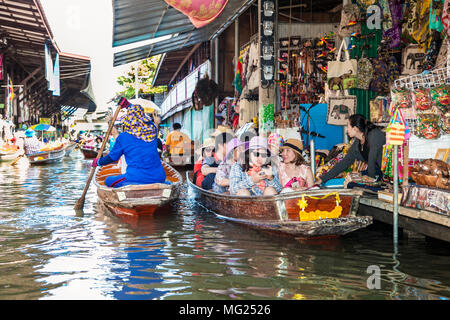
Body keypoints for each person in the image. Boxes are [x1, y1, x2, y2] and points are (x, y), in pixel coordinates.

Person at [92, 104, 166, 188]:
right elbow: (153, 125)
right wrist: (156, 123)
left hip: (135, 178)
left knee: (108, 180)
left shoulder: (123, 137)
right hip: (159, 177)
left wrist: (98, 162)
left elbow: (112, 158)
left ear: (129, 121)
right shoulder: (152, 132)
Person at [316, 114, 386, 185]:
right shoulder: (357, 143)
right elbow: (343, 163)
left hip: (387, 175)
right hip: (376, 174)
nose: (347, 130)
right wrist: (322, 180)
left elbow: (372, 160)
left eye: (348, 127)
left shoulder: (375, 135)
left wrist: (369, 183)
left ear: (355, 128)